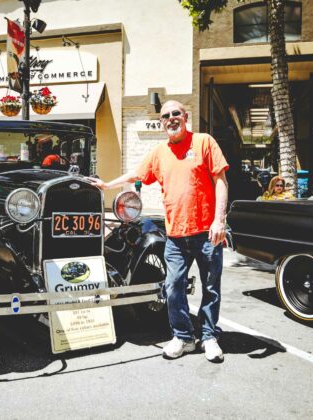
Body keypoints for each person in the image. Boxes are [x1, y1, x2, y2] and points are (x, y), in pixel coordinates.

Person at [92, 100, 229, 363]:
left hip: (206, 232)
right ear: (162, 121)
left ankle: (209, 336)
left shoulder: (203, 142)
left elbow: (220, 180)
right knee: (173, 286)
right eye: (166, 116)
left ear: (185, 116)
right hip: (176, 234)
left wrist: (219, 221)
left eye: (175, 114)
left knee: (211, 288)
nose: (171, 119)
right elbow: (137, 174)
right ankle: (183, 337)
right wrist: (108, 184)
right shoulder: (159, 152)